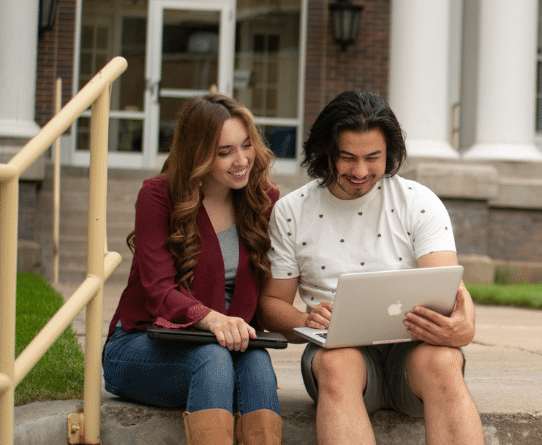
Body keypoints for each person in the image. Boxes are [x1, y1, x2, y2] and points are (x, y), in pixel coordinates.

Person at [259, 91, 483, 445]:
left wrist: (462, 328)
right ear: (326, 153)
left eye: (372, 158)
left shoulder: (419, 203)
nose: (360, 172)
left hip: (415, 353)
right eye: (347, 158)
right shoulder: (291, 212)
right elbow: (272, 304)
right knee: (337, 364)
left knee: (443, 362)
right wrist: (305, 321)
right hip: (338, 354)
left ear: (389, 154)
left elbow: (452, 289)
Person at [102, 93, 283, 445]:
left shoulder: (262, 199)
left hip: (229, 346)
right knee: (213, 360)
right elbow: (158, 292)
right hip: (143, 344)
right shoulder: (159, 196)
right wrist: (214, 320)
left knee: (258, 368)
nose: (241, 160)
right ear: (198, 154)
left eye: (246, 145)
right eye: (224, 151)